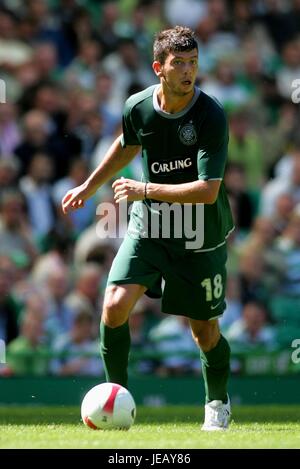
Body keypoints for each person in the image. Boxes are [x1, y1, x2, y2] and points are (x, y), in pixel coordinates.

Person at [62, 26, 234, 431]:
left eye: (193, 63)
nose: (188, 71)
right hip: (151, 226)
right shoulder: (137, 106)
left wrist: (144, 188)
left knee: (204, 332)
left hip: (199, 233)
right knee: (113, 305)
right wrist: (89, 186)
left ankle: (217, 403)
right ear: (159, 67)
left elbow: (209, 192)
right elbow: (128, 143)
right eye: (179, 64)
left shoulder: (211, 115)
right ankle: (114, 398)